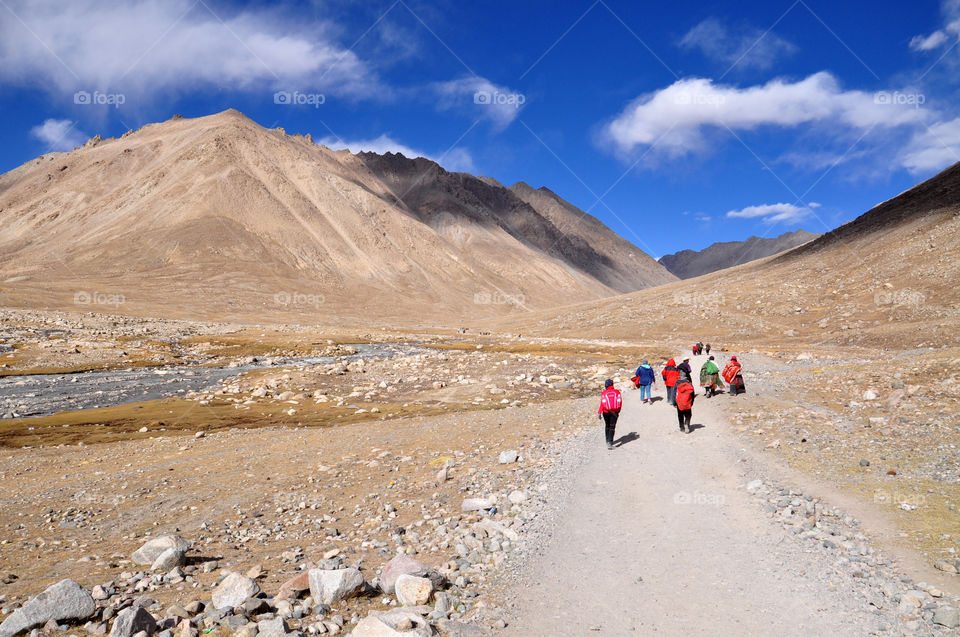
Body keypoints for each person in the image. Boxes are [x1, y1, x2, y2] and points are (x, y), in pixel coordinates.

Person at [597, 379, 622, 449]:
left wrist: (599, 412)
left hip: (606, 412)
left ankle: (607, 440)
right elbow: (620, 402)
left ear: (606, 385)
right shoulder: (617, 392)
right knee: (612, 427)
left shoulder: (604, 393)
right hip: (615, 412)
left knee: (607, 425)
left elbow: (602, 403)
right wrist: (618, 411)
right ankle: (610, 443)